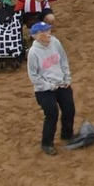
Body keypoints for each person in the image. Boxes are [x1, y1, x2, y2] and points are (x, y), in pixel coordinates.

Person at [26, 22, 75, 154]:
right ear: (36, 36)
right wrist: (49, 86)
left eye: (49, 30)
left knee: (69, 108)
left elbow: (63, 60)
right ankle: (47, 143)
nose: (49, 33)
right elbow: (34, 76)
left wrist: (67, 78)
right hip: (44, 90)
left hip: (61, 83)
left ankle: (67, 134)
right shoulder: (33, 53)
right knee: (52, 113)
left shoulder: (55, 42)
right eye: (45, 31)